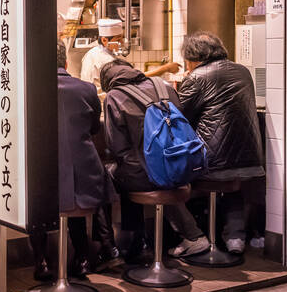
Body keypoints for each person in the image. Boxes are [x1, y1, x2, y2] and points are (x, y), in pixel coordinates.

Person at [100, 60, 210, 261]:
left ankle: (122, 246)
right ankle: (178, 236)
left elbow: (116, 147)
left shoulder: (114, 97)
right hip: (181, 164)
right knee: (137, 170)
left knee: (109, 173)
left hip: (150, 174)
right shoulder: (163, 86)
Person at [30, 42, 118, 281]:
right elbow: (92, 128)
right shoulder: (87, 89)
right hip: (86, 179)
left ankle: (42, 262)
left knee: (36, 199)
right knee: (73, 197)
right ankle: (82, 259)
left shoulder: (29, 89)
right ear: (66, 63)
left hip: (44, 180)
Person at [177, 31, 265, 255]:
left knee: (171, 177)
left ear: (193, 56)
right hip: (250, 160)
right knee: (232, 183)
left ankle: (193, 236)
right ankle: (236, 237)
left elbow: (180, 117)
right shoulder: (242, 71)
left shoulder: (197, 77)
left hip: (211, 163)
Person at [80, 18, 180, 90]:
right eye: (118, 39)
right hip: (104, 106)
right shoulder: (106, 61)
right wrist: (165, 68)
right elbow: (136, 78)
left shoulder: (92, 53)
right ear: (105, 40)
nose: (122, 42)